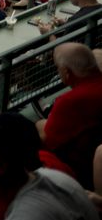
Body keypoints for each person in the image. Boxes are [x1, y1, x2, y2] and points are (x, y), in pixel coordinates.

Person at [38, 42, 102, 190]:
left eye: (57, 68)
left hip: (79, 171)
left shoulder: (68, 102)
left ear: (66, 72)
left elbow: (48, 143)